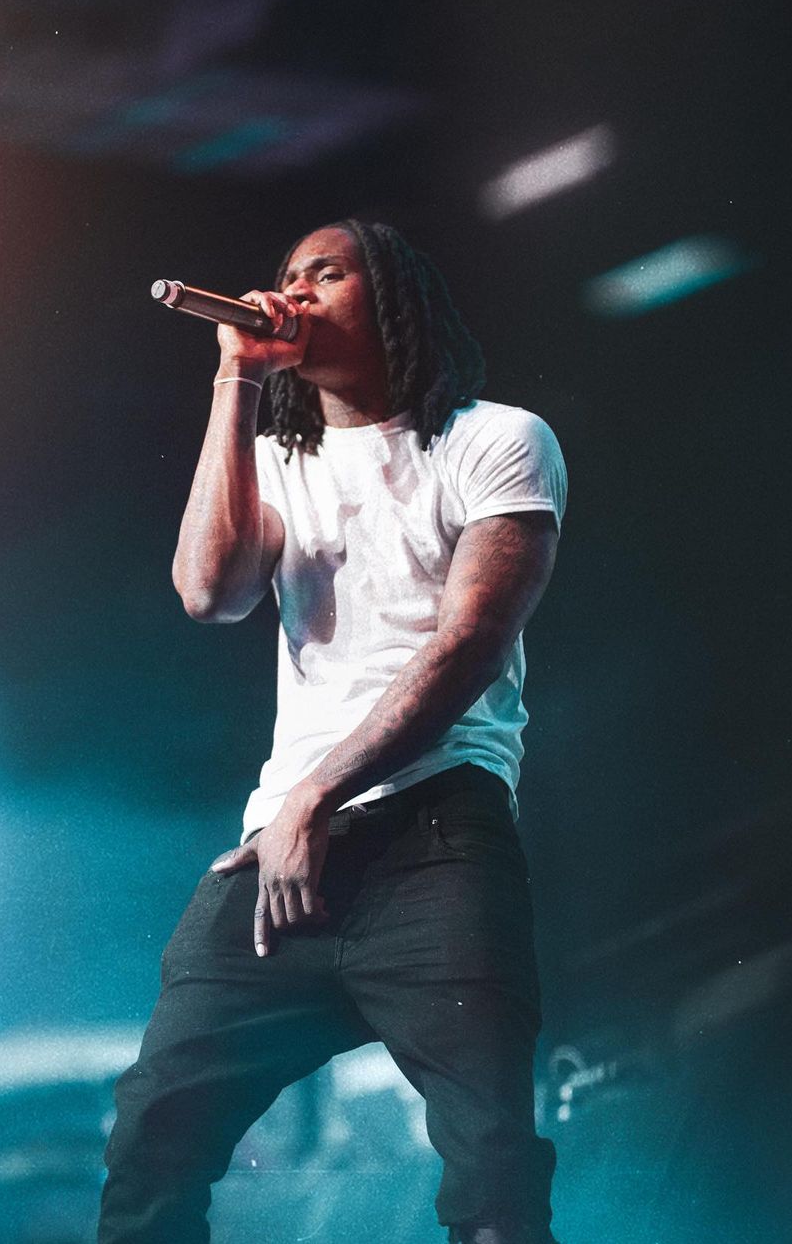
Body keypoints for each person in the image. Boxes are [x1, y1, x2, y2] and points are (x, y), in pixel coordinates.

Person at [97, 220, 568, 1244]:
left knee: (491, 1173)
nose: (297, 291)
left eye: (327, 272)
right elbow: (209, 594)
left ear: (392, 298)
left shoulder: (497, 439)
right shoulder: (276, 458)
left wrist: (319, 792)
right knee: (150, 1150)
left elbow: (467, 645)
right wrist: (236, 378)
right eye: (287, 277)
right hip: (281, 855)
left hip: (437, 841)